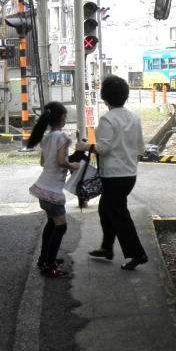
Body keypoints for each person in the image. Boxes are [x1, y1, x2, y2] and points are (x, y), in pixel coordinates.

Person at [77, 76, 148, 270]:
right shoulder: (134, 117)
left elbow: (104, 147)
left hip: (113, 175)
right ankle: (107, 247)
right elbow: (140, 146)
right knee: (107, 209)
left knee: (118, 214)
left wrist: (86, 145)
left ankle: (137, 254)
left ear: (104, 97)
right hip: (129, 173)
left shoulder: (107, 119)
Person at [27, 101, 80, 278]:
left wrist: (65, 164)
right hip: (52, 192)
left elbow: (43, 163)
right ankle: (49, 265)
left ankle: (44, 259)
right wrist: (72, 165)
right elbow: (60, 161)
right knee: (61, 226)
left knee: (52, 224)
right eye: (65, 116)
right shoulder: (63, 138)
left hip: (42, 188)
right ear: (62, 118)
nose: (66, 119)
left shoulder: (47, 138)